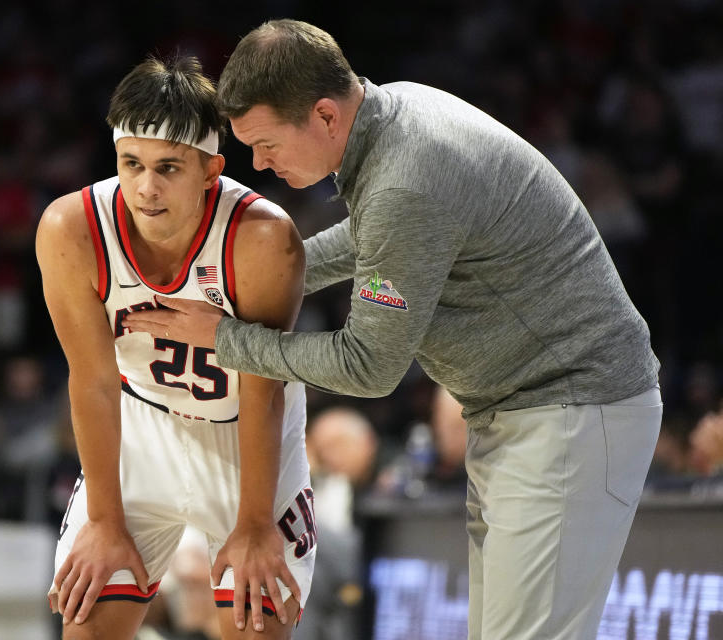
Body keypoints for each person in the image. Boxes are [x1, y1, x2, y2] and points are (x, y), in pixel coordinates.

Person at [123, 20, 662, 640]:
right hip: (534, 411)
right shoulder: (395, 112)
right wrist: (271, 268)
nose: (259, 163)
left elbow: (368, 366)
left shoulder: (407, 179)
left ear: (325, 116)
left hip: (570, 410)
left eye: (266, 143)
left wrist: (223, 339)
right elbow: (377, 238)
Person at [36, 55, 315, 639]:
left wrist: (257, 524)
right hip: (140, 426)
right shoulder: (71, 228)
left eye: (168, 168)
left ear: (211, 170)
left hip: (246, 437)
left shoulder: (262, 237)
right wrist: (105, 520)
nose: (146, 187)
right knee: (86, 620)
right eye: (131, 164)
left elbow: (265, 393)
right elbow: (91, 379)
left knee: (253, 619)